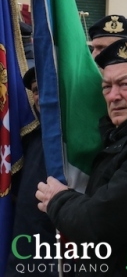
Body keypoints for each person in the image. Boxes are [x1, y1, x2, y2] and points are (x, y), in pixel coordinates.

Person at [35, 37, 127, 276]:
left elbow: (102, 224)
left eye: (125, 84)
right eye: (107, 87)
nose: (113, 96)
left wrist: (57, 199)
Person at [5, 67, 59, 277]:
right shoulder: (29, 137)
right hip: (24, 255)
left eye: (48, 88)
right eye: (36, 90)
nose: (41, 96)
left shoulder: (81, 140)